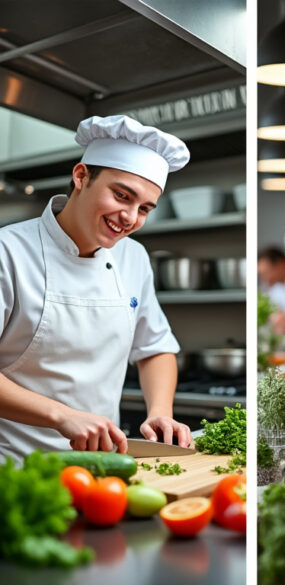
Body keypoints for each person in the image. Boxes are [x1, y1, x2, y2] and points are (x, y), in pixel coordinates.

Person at [0, 115, 194, 458]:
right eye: (122, 195)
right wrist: (62, 415)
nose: (130, 218)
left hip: (102, 466)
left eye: (144, 208)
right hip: (14, 465)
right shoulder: (9, 251)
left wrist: (160, 412)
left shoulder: (134, 257)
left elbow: (154, 348)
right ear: (81, 176)